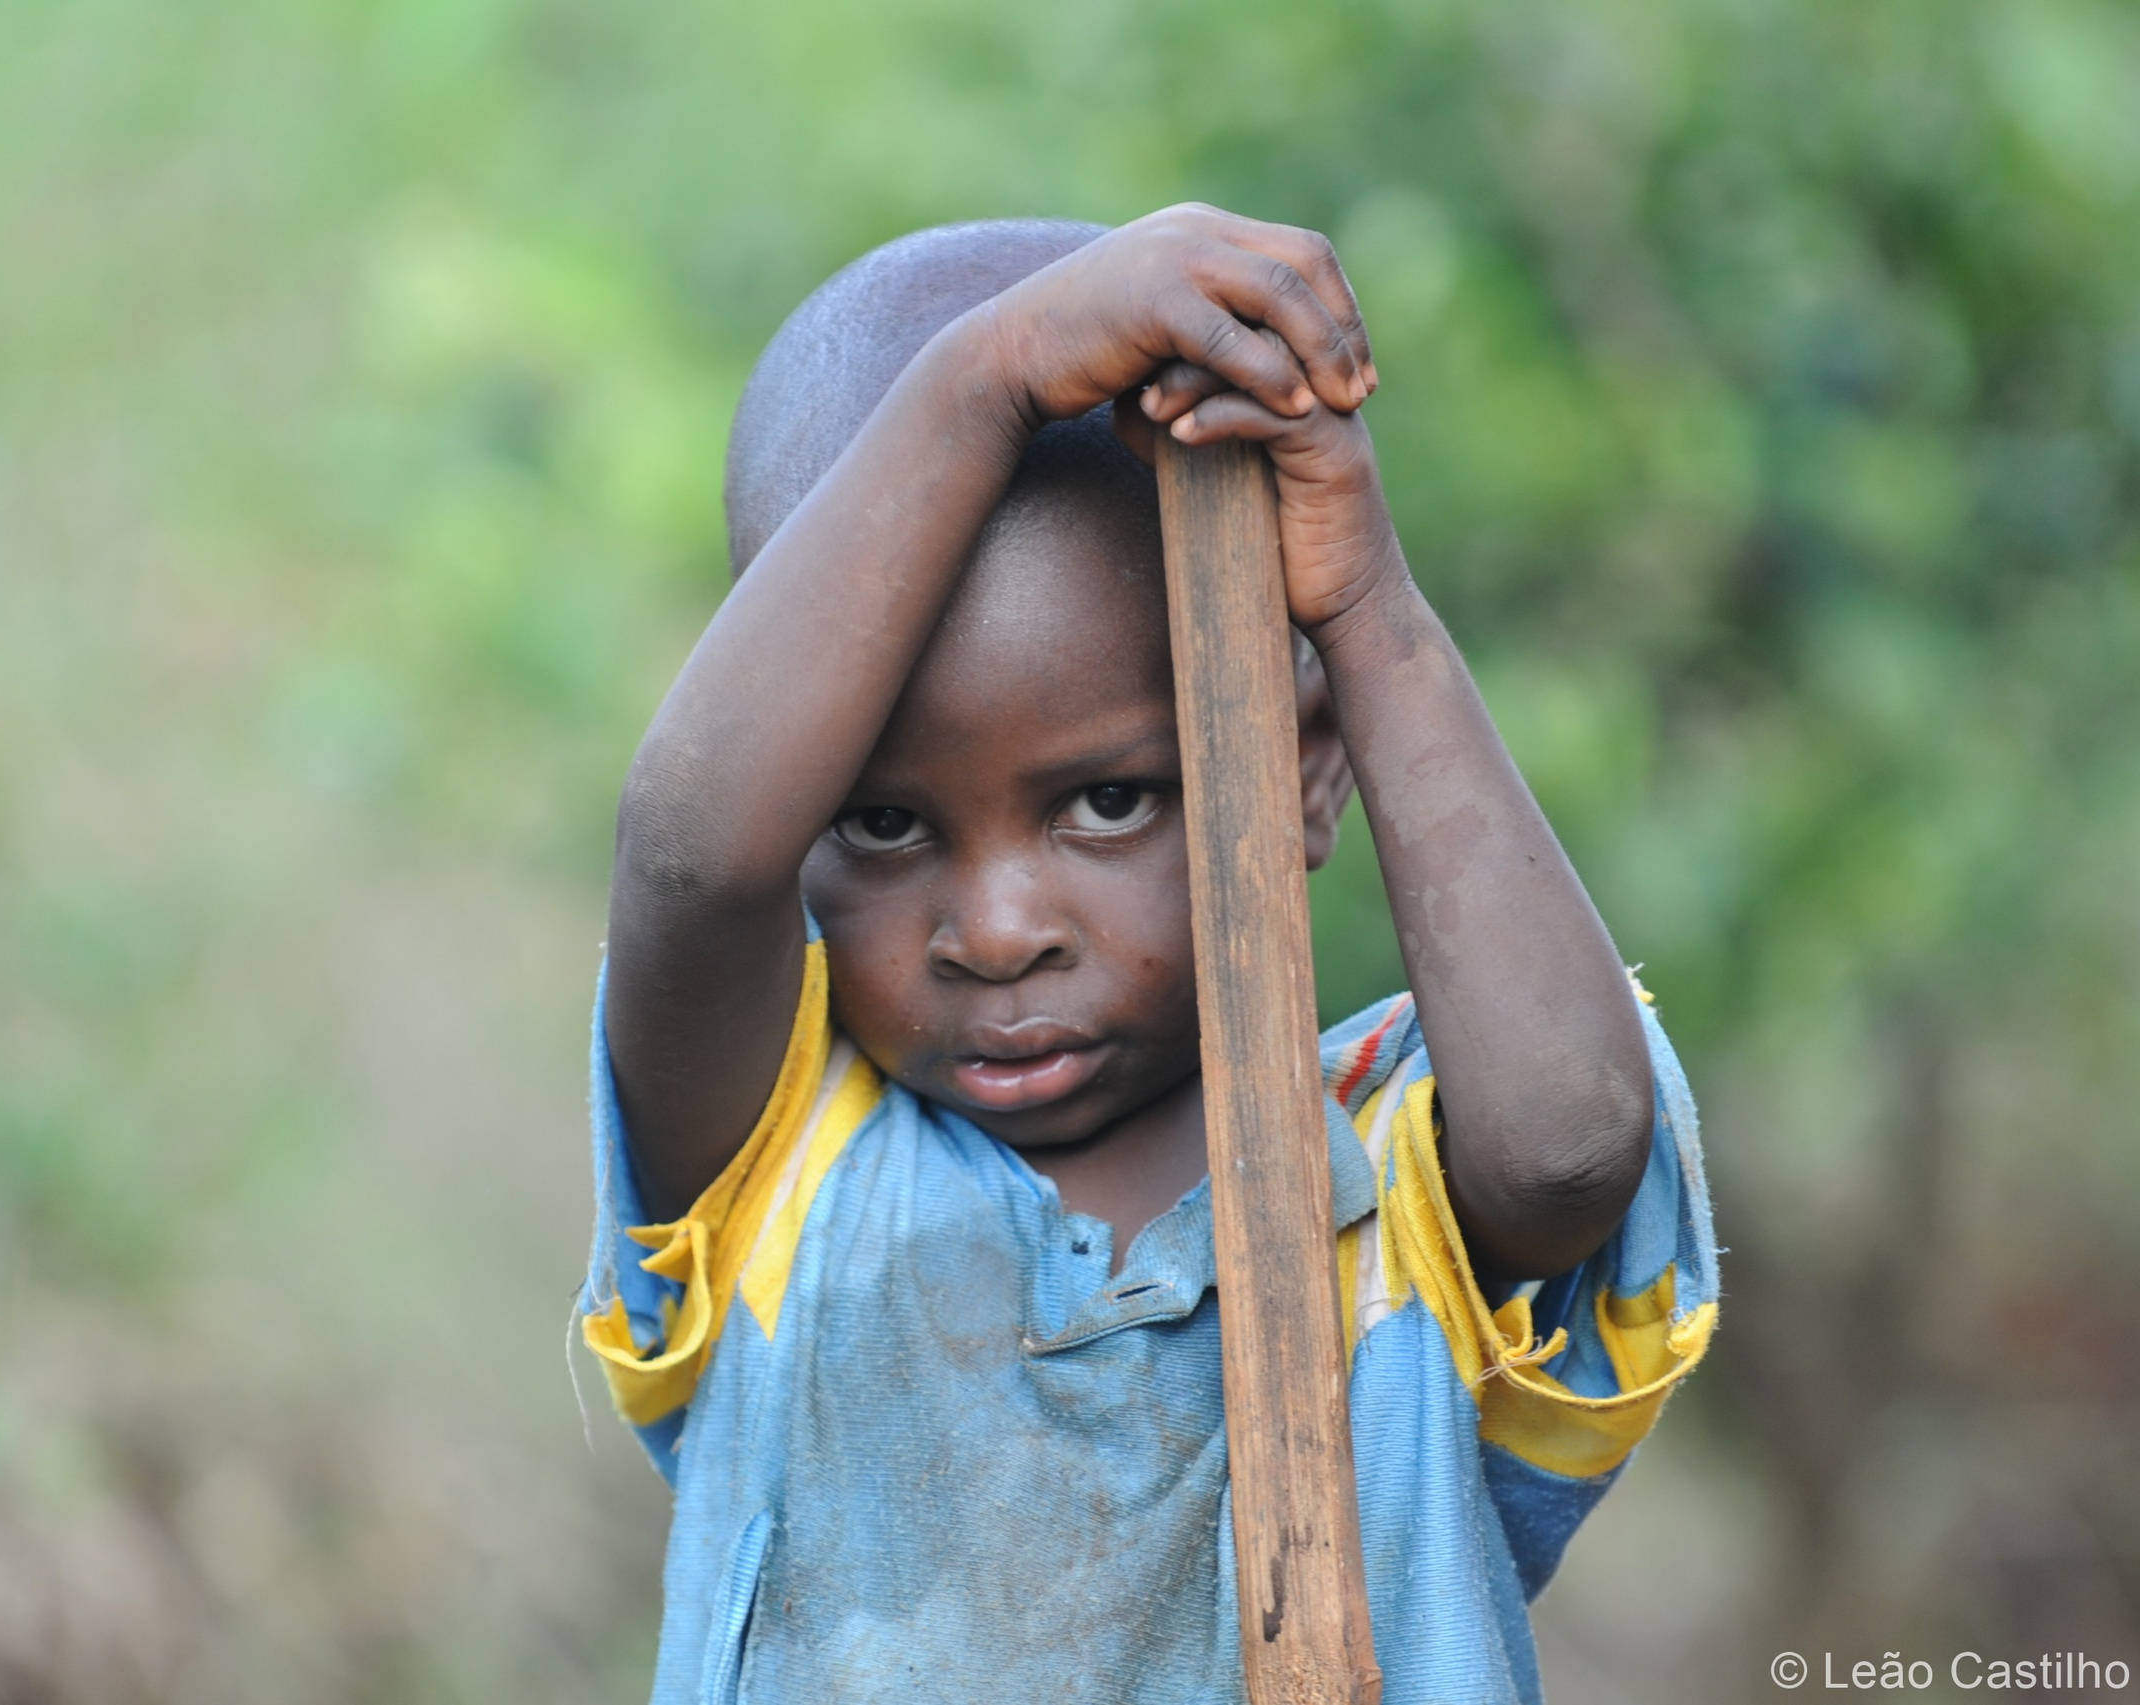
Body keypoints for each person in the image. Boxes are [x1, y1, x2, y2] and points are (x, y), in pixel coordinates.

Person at [580, 207, 1716, 1705]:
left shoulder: (1392, 1183)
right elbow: (687, 859)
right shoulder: (768, 1168)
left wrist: (1362, 610)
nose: (997, 930)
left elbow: (1573, 1144)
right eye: (883, 821)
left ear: (1301, 770)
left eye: (1107, 800)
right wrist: (981, 380)